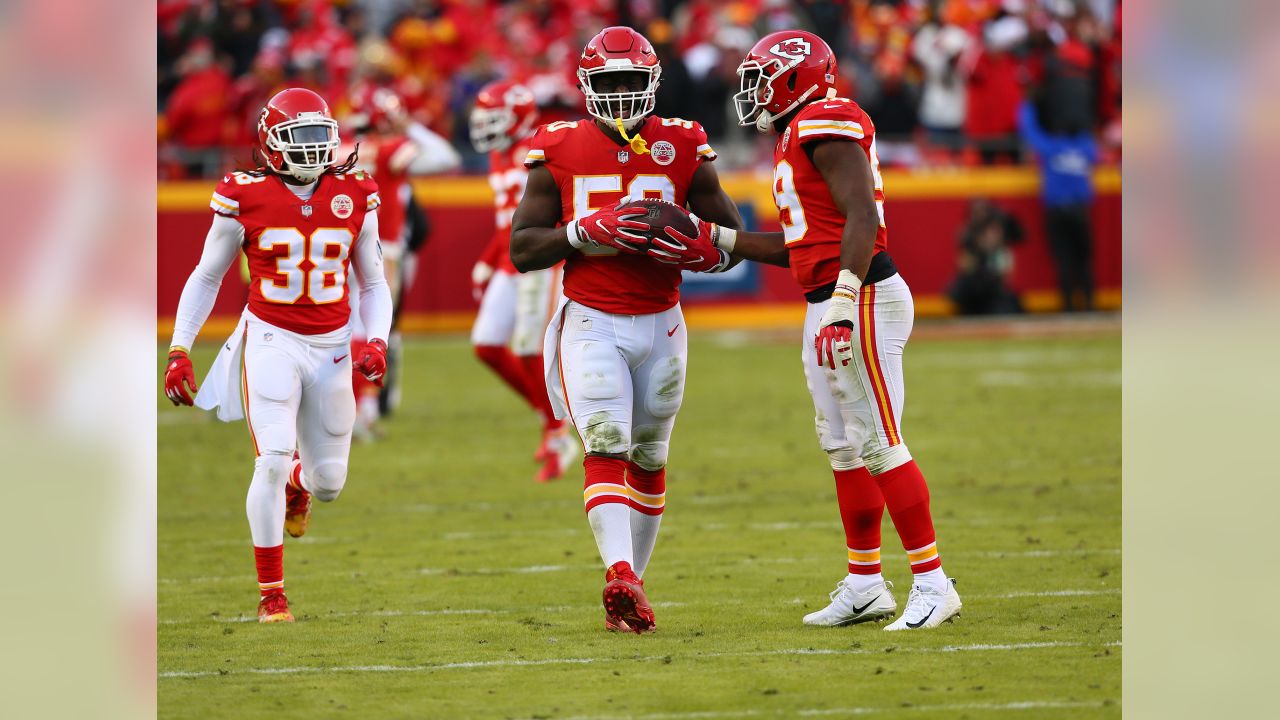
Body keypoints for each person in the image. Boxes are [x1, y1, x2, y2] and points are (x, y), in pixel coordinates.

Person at [657, 30, 962, 630]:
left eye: (761, 78)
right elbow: (804, 242)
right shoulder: (796, 134)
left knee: (877, 441)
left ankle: (931, 581)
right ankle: (866, 582)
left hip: (861, 295)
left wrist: (846, 296)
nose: (752, 93)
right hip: (828, 296)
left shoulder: (825, 118)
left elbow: (861, 215)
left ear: (796, 77)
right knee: (843, 445)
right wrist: (720, 238)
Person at [509, 26, 743, 634]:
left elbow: (729, 243)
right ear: (586, 85)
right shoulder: (556, 147)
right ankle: (619, 573)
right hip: (591, 319)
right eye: (608, 81)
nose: (619, 93)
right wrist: (583, 233)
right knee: (606, 439)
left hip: (663, 321)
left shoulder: (684, 142)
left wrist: (697, 243)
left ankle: (632, 582)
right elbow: (523, 249)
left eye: (630, 82)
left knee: (650, 453)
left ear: (653, 83)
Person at [163, 88, 393, 623]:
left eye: (320, 137)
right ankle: (272, 595)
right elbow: (207, 275)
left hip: (334, 346)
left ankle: (300, 485)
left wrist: (376, 339)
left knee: (329, 483)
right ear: (270, 142)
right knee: (269, 456)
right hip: (271, 338)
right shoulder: (244, 193)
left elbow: (374, 282)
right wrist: (179, 348)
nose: (313, 150)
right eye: (300, 138)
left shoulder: (356, 190)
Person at [468, 80, 580, 482]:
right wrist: (487, 258)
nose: (485, 128)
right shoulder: (500, 153)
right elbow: (506, 220)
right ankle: (549, 419)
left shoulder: (543, 146)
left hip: (538, 261)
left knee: (531, 349)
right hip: (507, 261)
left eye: (493, 119)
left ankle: (559, 431)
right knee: (486, 346)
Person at [344, 87, 461, 435]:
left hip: (343, 244)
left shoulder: (341, 146)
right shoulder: (392, 148)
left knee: (349, 324)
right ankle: (362, 409)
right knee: (372, 327)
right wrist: (411, 127)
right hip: (382, 247)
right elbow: (445, 157)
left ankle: (357, 408)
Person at [1019, 100, 1098, 312]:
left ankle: (1069, 307)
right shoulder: (1086, 148)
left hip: (1057, 212)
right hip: (1079, 210)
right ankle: (1089, 305)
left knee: (1063, 260)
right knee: (1083, 260)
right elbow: (1094, 151)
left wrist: (1028, 106)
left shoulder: (1051, 148)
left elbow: (1030, 132)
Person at [948, 198, 1024, 315]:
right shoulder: (967, 236)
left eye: (982, 212)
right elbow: (965, 266)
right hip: (973, 291)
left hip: (995, 291)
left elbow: (1006, 270)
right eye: (976, 212)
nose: (979, 216)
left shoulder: (997, 231)